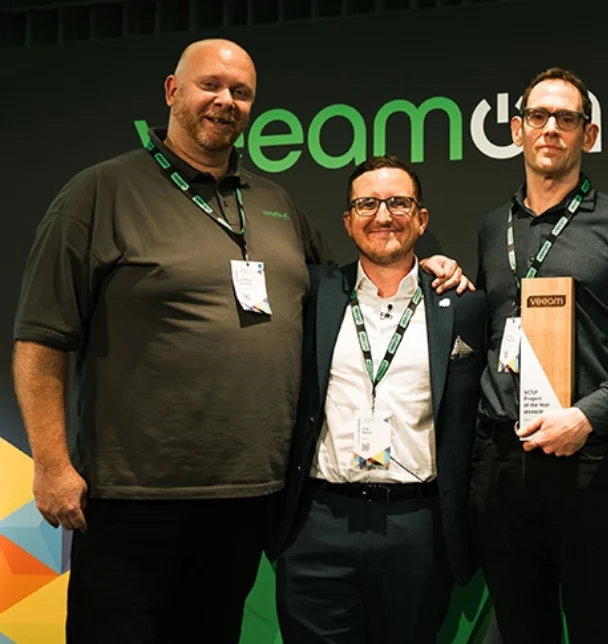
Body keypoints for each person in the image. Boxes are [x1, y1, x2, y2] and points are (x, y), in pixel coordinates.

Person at [11, 38, 466, 644]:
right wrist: (50, 463)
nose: (225, 100)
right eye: (210, 86)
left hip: (250, 498)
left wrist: (434, 269)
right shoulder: (100, 193)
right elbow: (42, 337)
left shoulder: (275, 203)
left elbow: (354, 289)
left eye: (241, 92)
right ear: (173, 92)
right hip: (134, 498)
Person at [469, 67, 608, 644]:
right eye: (539, 117)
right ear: (517, 130)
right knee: (519, 630)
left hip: (590, 463)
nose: (551, 129)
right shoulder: (492, 228)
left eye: (567, 118)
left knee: (600, 629)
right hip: (502, 465)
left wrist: (586, 417)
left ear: (590, 133)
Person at [268, 155, 486, 644]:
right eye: (367, 204)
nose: (383, 216)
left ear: (422, 219)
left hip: (417, 526)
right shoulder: (315, 293)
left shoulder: (463, 305)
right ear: (347, 221)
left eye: (398, 203)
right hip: (319, 523)